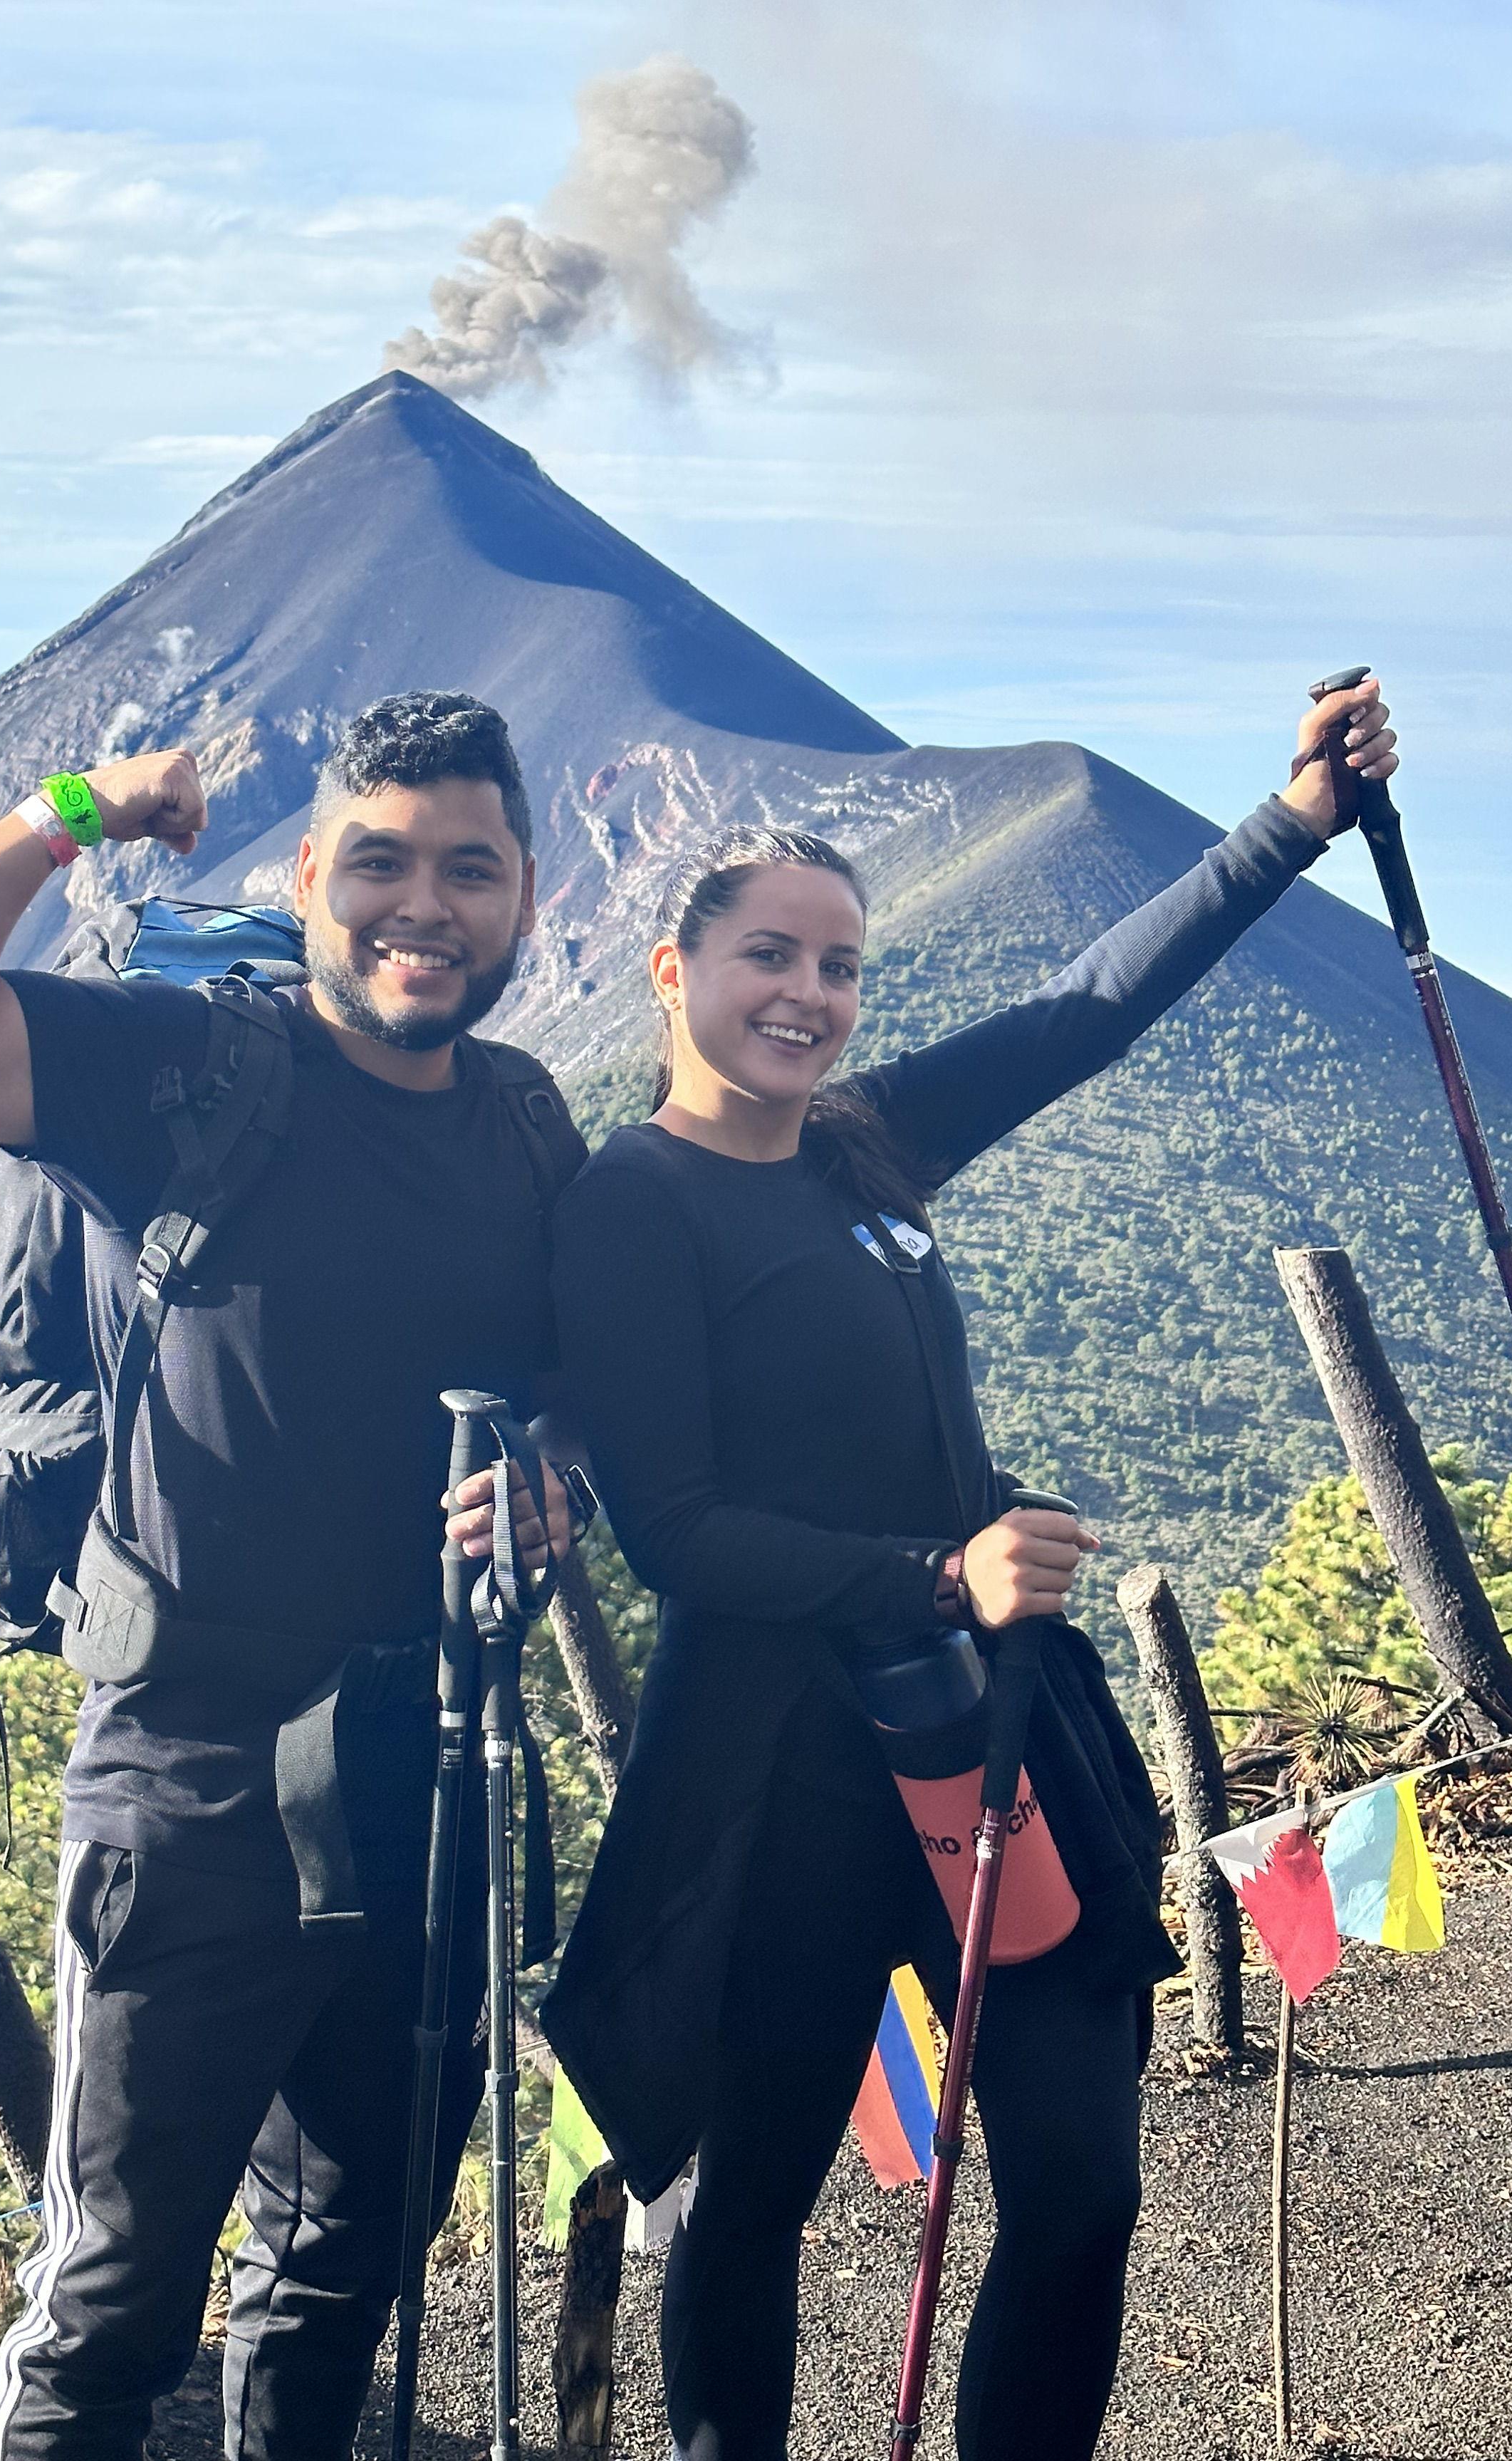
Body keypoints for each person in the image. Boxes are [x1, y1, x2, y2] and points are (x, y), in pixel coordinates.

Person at [538, 676, 1402, 2461]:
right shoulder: (634, 1203)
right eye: (771, 955)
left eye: (841, 965)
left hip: (994, 1719)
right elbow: (676, 1530)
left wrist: (1291, 826)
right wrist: (942, 1574)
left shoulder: (863, 1143)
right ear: (674, 973)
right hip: (788, 1764)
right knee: (756, 2195)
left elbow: (1082, 1013)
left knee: (1080, 2185)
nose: (810, 996)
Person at [0, 690, 577, 2461]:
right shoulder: (185, 1073)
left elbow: (574, 1388)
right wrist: (76, 807)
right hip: (186, 1784)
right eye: (379, 860)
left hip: (423, 1780)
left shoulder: (532, 1127)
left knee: (345, 2267)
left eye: (470, 867)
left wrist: (560, 1485)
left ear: (527, 894)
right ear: (309, 875)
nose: (424, 904)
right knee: (110, 2310)